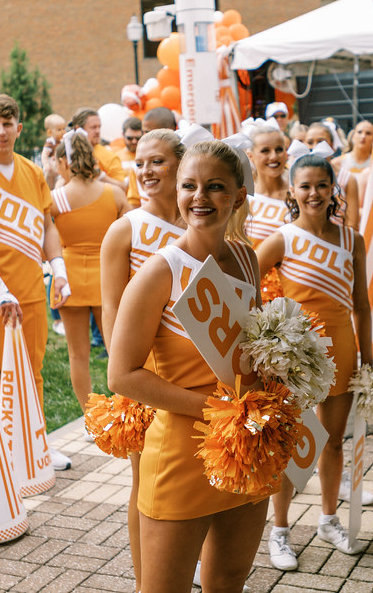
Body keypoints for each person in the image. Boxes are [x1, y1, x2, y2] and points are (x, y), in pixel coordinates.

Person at [107, 140, 265, 592]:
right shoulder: (159, 273)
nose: (200, 197)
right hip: (181, 450)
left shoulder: (246, 258)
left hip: (246, 444)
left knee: (228, 581)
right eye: (190, 186)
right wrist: (212, 410)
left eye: (215, 187)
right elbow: (121, 375)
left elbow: (252, 346)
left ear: (238, 196)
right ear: (177, 192)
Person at [256, 154, 373, 571]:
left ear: (333, 189)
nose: (314, 193)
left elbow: (361, 304)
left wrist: (369, 355)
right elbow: (247, 283)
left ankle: (328, 520)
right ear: (292, 191)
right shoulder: (282, 238)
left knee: (333, 440)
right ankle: (281, 531)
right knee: (289, 445)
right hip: (297, 355)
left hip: (343, 348)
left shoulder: (351, 239)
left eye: (322, 185)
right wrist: (268, 335)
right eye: (305, 186)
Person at [0, 93, 73, 472]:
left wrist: (58, 268)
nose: (1, 131)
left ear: (19, 128)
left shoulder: (32, 171)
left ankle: (36, 444)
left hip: (30, 291)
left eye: (8, 124)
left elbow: (47, 224)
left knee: (31, 371)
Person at [101, 128, 186, 592]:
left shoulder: (202, 226)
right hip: (144, 376)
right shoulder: (125, 229)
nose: (147, 171)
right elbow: (111, 310)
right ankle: (144, 580)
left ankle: (185, 560)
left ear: (181, 164)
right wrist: (127, 386)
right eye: (141, 163)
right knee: (145, 484)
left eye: (158, 162)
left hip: (196, 372)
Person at [51, 130, 127, 410]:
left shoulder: (55, 198)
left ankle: (90, 416)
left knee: (77, 354)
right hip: (108, 276)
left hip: (68, 276)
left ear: (63, 162)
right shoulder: (114, 193)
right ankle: (126, 409)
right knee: (117, 349)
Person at [245, 125, 290, 247]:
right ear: (250, 156)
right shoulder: (243, 199)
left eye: (279, 149)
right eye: (265, 151)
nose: (274, 156)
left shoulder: (299, 193)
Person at [70, 107, 128, 192]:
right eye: (93, 127)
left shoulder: (109, 156)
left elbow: (123, 188)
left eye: (99, 127)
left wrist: (101, 176)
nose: (97, 131)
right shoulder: (67, 152)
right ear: (78, 129)